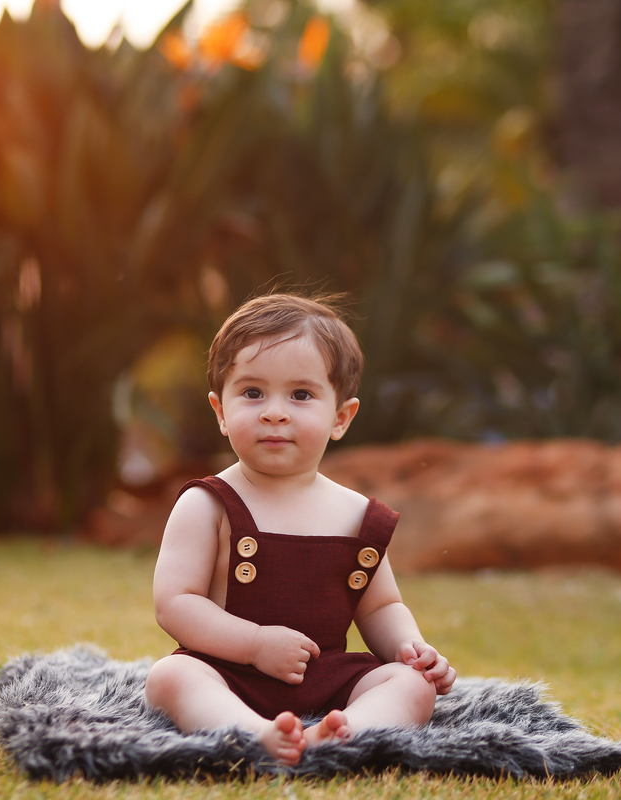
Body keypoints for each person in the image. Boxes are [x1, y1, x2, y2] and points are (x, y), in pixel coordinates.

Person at [145, 293, 456, 765]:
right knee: (171, 677)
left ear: (340, 417)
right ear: (221, 411)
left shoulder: (357, 515)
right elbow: (175, 603)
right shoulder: (207, 503)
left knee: (411, 686)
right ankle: (253, 733)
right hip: (229, 670)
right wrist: (253, 645)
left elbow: (381, 606)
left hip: (327, 673)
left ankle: (348, 731)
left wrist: (411, 649)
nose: (275, 412)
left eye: (301, 395)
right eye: (252, 393)